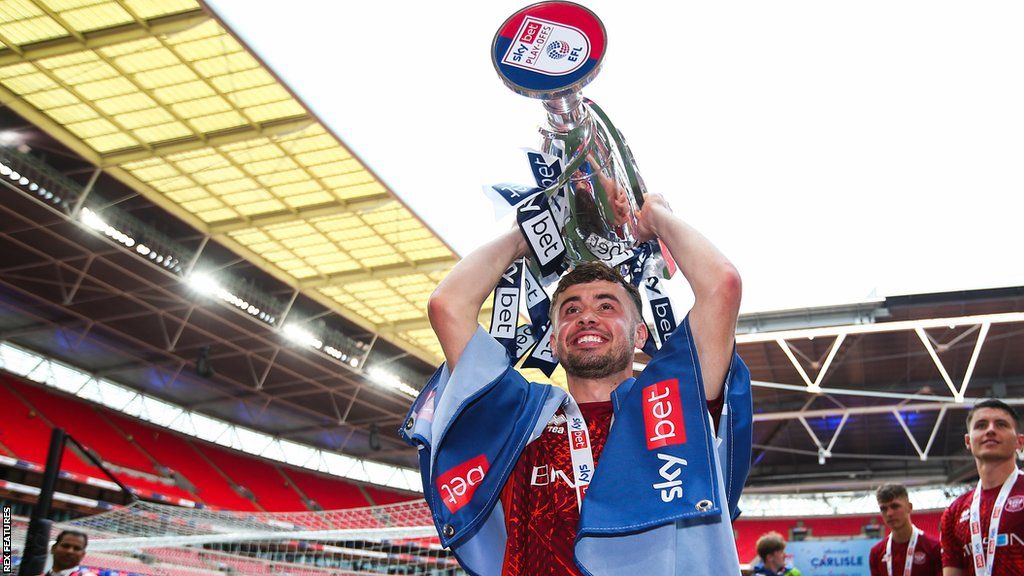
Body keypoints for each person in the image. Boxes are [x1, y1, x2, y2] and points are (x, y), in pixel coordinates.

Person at [400, 194, 752, 575]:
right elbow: (447, 305)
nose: (587, 317)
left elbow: (723, 286)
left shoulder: (670, 407)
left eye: (606, 306)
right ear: (553, 341)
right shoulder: (520, 418)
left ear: (639, 335)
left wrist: (656, 218)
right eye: (571, 310)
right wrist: (528, 234)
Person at [940, 399, 1024, 575]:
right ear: (968, 441)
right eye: (981, 425)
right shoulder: (954, 512)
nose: (990, 430)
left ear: (1019, 441)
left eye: (1001, 424)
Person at [869, 484, 941, 576]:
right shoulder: (876, 553)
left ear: (909, 507)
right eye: (883, 509)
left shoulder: (934, 547)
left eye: (895, 506)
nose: (889, 513)